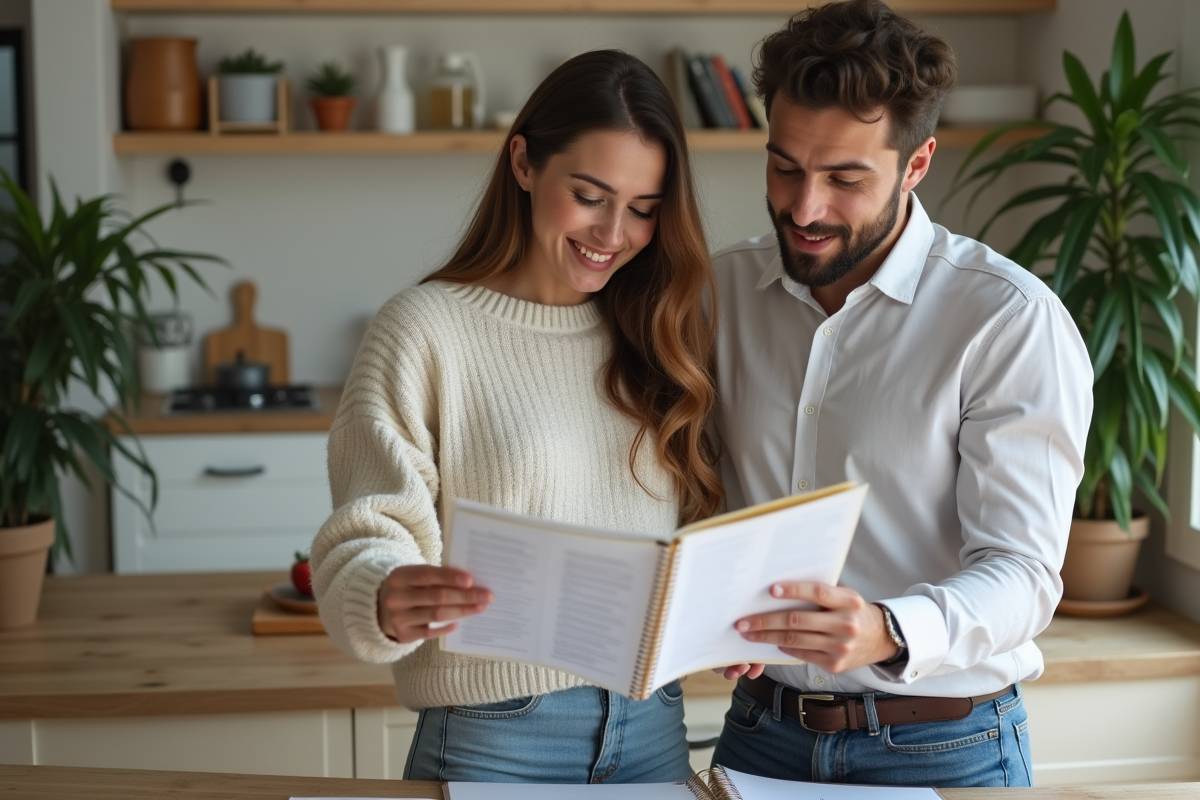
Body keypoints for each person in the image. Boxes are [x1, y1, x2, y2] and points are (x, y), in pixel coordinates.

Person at [310, 50, 722, 784]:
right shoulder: (424, 328)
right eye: (590, 195)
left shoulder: (659, 334)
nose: (613, 233)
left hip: (654, 723)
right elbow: (369, 529)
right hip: (495, 736)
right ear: (524, 164)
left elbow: (687, 535)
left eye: (643, 209)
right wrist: (384, 593)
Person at [709, 0, 1092, 788]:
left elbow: (1023, 574)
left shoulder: (1006, 321)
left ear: (916, 165)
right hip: (760, 730)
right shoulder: (718, 293)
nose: (805, 208)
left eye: (846, 178)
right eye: (784, 166)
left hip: (948, 744)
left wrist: (886, 628)